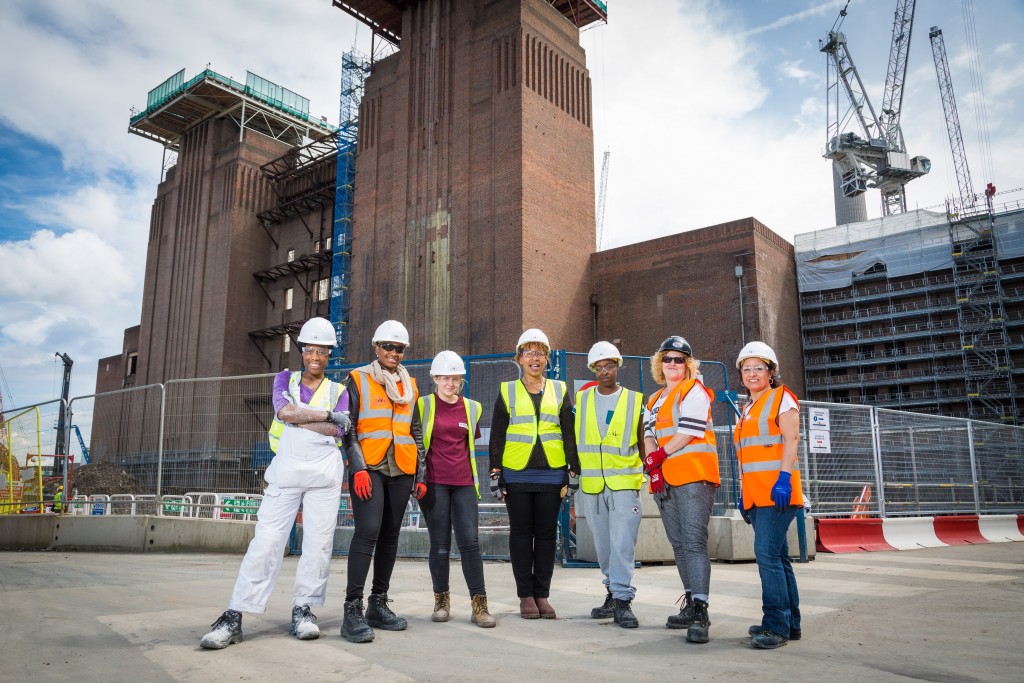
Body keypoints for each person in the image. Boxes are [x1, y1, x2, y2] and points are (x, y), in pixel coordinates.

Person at [200, 317, 351, 649]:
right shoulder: (284, 379)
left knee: (319, 544)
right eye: (310, 349)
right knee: (266, 542)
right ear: (302, 351)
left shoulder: (339, 391)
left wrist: (308, 417)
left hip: (324, 475)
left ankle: (303, 610)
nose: (315, 356)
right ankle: (234, 615)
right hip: (286, 470)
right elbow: (284, 412)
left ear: (329, 355)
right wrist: (325, 416)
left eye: (322, 351)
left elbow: (339, 431)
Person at [340, 320, 426, 644]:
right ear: (376, 347)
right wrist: (357, 468)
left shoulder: (410, 386)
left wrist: (422, 474)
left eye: (398, 348)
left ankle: (378, 603)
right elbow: (347, 429)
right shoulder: (358, 380)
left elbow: (415, 431)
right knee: (367, 532)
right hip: (369, 467)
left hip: (401, 468)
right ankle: (352, 610)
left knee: (390, 535)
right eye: (387, 346)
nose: (393, 352)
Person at [488, 328, 579, 619]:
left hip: (552, 474)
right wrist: (495, 473)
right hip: (516, 473)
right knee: (520, 534)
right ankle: (525, 596)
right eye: (529, 352)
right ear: (519, 358)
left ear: (547, 359)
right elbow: (497, 436)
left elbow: (568, 434)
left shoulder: (560, 389)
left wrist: (573, 470)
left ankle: (542, 595)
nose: (535, 358)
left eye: (540, 352)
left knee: (546, 536)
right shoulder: (507, 391)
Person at [642, 336, 720, 644]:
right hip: (667, 478)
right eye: (667, 359)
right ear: (659, 364)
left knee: (693, 542)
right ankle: (691, 601)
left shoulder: (694, 390)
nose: (672, 364)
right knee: (678, 543)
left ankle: (700, 610)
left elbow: (689, 431)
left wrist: (660, 455)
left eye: (679, 359)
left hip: (694, 477)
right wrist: (653, 463)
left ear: (688, 364)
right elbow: (649, 434)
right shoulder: (655, 399)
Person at [417, 350, 495, 628]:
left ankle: (480, 605)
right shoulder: (423, 405)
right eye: (445, 378)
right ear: (435, 378)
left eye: (456, 379)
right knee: (439, 546)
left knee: (470, 544)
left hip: (463, 483)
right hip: (434, 484)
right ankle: (441, 601)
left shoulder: (473, 407)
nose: (451, 383)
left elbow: (468, 443)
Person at [734, 341, 803, 650]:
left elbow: (792, 439)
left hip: (778, 493)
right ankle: (790, 623)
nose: (752, 373)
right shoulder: (748, 407)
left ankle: (775, 625)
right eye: (746, 369)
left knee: (766, 556)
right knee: (778, 557)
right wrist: (744, 494)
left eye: (758, 368)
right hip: (757, 495)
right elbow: (748, 457)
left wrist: (785, 480)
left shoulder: (781, 399)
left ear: (771, 372)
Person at [575, 342, 646, 629]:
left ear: (618, 366)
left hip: (624, 483)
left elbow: (643, 439)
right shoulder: (581, 400)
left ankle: (623, 601)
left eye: (610, 366)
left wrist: (647, 474)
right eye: (600, 367)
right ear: (593, 370)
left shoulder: (635, 400)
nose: (605, 372)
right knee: (604, 546)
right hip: (592, 484)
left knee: (622, 544)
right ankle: (612, 592)